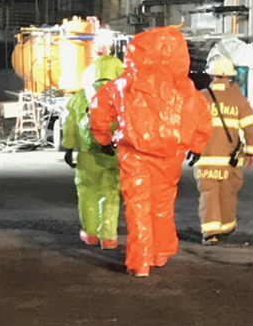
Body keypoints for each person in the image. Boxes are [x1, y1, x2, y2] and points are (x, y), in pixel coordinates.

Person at [89, 27, 212, 277]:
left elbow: (99, 107)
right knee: (163, 204)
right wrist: (197, 147)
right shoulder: (186, 89)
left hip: (134, 154)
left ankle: (140, 261)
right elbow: (202, 118)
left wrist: (102, 138)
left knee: (138, 206)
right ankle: (160, 251)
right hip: (170, 155)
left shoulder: (123, 85)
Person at [194, 56, 253, 245]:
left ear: (211, 74)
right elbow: (251, 127)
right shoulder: (238, 100)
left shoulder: (201, 98)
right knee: (227, 193)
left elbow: (189, 126)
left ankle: (211, 232)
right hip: (229, 159)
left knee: (209, 194)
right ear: (230, 76)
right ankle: (227, 225)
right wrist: (252, 151)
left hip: (206, 158)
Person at [62, 55, 125, 249]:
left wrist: (68, 147)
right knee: (110, 195)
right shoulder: (122, 98)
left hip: (86, 156)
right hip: (113, 156)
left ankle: (90, 234)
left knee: (87, 192)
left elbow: (69, 125)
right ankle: (108, 237)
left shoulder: (79, 99)